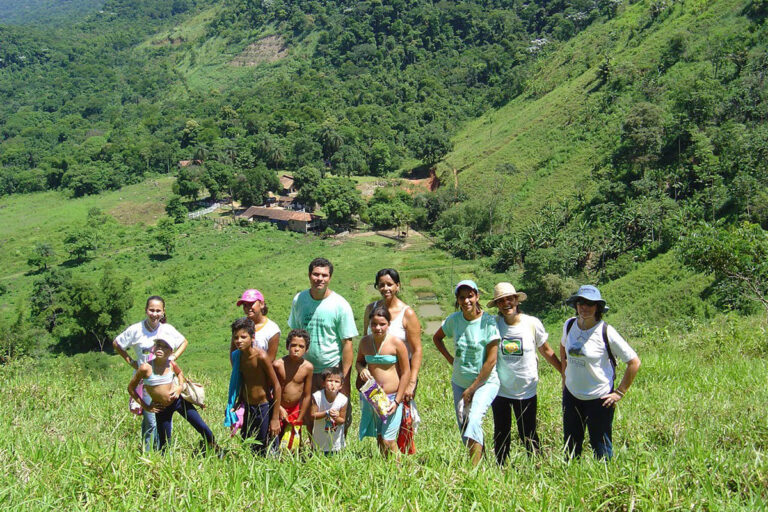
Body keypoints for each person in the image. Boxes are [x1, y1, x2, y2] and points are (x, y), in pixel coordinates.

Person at [560, 285, 641, 460]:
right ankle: (571, 480)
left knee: (601, 446)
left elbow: (634, 362)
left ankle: (605, 481)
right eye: (581, 302)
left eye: (590, 303)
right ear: (576, 305)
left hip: (599, 399)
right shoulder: (569, 325)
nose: (585, 307)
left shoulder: (606, 331)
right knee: (571, 447)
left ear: (598, 307)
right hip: (572, 395)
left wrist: (619, 393)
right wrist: (564, 377)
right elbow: (563, 347)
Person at [488, 282, 563, 465]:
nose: (506, 303)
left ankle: (537, 467)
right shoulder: (494, 324)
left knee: (528, 432)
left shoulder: (532, 323)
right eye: (501, 301)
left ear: (516, 300)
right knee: (501, 432)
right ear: (497, 305)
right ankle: (501, 468)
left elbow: (546, 350)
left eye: (509, 299)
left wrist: (564, 372)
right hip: (500, 390)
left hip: (526, 390)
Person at [433, 280, 500, 465]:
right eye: (462, 297)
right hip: (459, 382)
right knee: (464, 427)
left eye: (470, 296)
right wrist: (450, 360)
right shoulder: (454, 320)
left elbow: (491, 360)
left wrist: (472, 389)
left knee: (474, 421)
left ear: (477, 296)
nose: (466, 301)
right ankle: (482, 462)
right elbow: (437, 338)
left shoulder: (488, 323)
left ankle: (474, 472)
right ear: (457, 300)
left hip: (485, 383)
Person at [288, 257, 358, 432]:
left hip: (331, 369)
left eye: (324, 275)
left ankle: (335, 451)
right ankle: (313, 451)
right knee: (309, 413)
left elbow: (347, 343)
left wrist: (345, 377)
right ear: (309, 275)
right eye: (316, 274)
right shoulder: (299, 300)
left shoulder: (340, 305)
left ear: (330, 278)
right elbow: (295, 334)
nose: (320, 278)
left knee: (336, 414)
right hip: (306, 369)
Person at [113, 295, 188, 451]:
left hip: (166, 381)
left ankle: (162, 452)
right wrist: (131, 362)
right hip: (146, 382)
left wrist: (173, 357)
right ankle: (148, 455)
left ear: (163, 312)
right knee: (151, 418)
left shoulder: (167, 329)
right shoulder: (136, 330)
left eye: (158, 311)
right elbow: (117, 343)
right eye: (151, 310)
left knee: (164, 419)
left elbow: (183, 342)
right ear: (146, 310)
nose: (154, 314)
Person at [127, 338, 217, 453]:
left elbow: (179, 373)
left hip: (179, 402)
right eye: (158, 345)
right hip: (161, 408)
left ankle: (214, 448)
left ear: (171, 352)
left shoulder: (171, 364)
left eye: (164, 346)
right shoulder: (145, 368)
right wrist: (146, 407)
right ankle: (164, 465)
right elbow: (131, 388)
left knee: (202, 427)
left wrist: (179, 387)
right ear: (154, 348)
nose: (160, 348)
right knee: (164, 443)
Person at [362, 268, 422, 403]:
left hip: (401, 377)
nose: (385, 288)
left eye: (389, 284)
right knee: (375, 417)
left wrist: (411, 382)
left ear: (398, 286)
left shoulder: (407, 314)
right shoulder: (370, 309)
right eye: (381, 285)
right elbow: (365, 340)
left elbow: (417, 350)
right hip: (375, 379)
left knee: (401, 418)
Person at [356, 307, 410, 456]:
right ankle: (386, 470)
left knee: (388, 439)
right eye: (374, 324)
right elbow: (359, 362)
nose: (378, 328)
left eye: (382, 324)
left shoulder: (397, 343)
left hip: (393, 397)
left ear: (388, 324)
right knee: (379, 436)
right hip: (373, 396)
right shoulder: (365, 343)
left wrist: (398, 400)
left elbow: (406, 372)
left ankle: (401, 471)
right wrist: (362, 369)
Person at [232, 317, 282, 455]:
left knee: (266, 445)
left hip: (263, 407)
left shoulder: (261, 357)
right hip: (248, 406)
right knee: (247, 442)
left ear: (252, 337)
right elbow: (244, 380)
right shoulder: (238, 356)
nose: (239, 341)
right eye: (236, 337)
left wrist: (274, 418)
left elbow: (277, 386)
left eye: (243, 337)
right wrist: (237, 402)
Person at [272, 329, 314, 439]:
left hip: (295, 410)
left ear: (307, 349)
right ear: (287, 346)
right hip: (277, 407)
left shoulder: (308, 368)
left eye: (301, 347)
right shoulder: (278, 365)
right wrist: (279, 408)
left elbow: (307, 395)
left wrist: (300, 417)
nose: (296, 349)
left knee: (293, 440)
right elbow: (271, 390)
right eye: (293, 345)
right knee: (275, 436)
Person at [231, 289, 280, 362]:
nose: (248, 308)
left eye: (251, 304)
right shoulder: (240, 326)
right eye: (245, 305)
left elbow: (270, 359)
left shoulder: (272, 329)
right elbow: (233, 354)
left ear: (261, 304)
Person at [310, 367, 348, 455]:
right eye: (329, 380)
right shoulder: (317, 396)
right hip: (319, 441)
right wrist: (326, 413)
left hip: (336, 442)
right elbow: (313, 415)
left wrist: (336, 417)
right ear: (323, 383)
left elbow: (342, 420)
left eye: (336, 382)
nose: (333, 384)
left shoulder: (343, 400)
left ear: (341, 386)